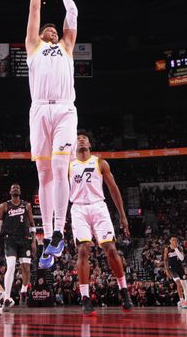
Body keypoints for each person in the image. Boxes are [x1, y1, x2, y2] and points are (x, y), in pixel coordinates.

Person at [24, 0, 79, 269]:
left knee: (60, 166)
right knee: (43, 176)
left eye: (56, 31)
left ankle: (60, 229)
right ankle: (47, 237)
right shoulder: (34, 47)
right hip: (39, 110)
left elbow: (73, 14)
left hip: (64, 110)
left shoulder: (67, 48)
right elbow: (34, 10)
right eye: (49, 30)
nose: (53, 32)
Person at [69, 133, 133, 315]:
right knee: (82, 250)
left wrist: (122, 216)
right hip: (78, 208)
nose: (80, 139)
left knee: (111, 249)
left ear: (89, 143)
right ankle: (85, 297)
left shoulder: (100, 163)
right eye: (78, 138)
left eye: (84, 137)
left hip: (99, 206)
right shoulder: (68, 165)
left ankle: (124, 291)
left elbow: (113, 189)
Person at [0, 183, 36, 311]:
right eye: (13, 188)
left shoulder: (26, 205)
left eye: (18, 188)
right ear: (10, 192)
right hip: (10, 240)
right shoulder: (4, 206)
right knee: (10, 267)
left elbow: (32, 223)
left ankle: (24, 290)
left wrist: (33, 241)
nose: (15, 189)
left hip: (25, 239)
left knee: (26, 268)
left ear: (20, 192)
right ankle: (7, 298)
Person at [163, 237, 187, 309]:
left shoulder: (179, 248)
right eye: (173, 240)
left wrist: (176, 249)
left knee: (185, 286)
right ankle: (182, 301)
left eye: (175, 240)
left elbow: (182, 258)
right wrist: (166, 270)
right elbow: (165, 260)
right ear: (170, 241)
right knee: (178, 283)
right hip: (172, 269)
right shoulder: (167, 249)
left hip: (180, 268)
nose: (174, 241)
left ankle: (186, 301)